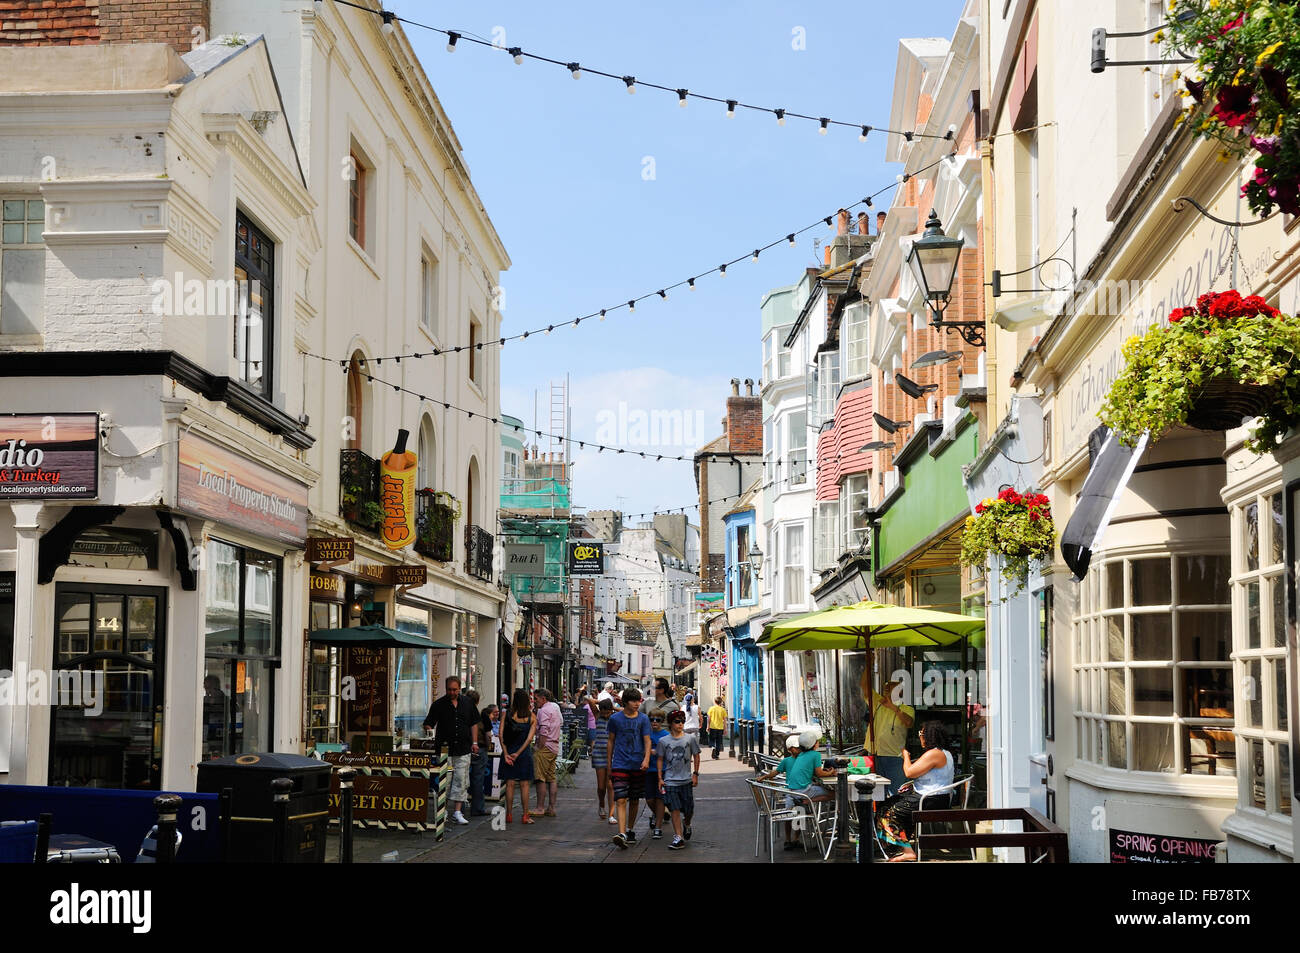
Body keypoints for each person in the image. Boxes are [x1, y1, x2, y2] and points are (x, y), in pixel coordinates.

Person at [876, 721, 956, 862]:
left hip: (930, 800)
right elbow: (931, 777)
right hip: (936, 797)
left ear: (928, 736)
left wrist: (905, 756)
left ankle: (907, 851)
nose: (920, 737)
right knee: (887, 803)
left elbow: (909, 772)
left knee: (888, 811)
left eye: (921, 734)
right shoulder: (943, 752)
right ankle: (899, 846)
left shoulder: (934, 754)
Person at [757, 731, 836, 850]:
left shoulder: (800, 756)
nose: (797, 750)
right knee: (834, 795)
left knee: (799, 814)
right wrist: (830, 772)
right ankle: (790, 837)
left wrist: (764, 777)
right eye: (795, 748)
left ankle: (796, 838)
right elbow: (818, 773)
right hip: (799, 791)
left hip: (793, 791)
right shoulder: (806, 757)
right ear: (790, 749)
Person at [421, 676, 480, 826]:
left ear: (460, 688)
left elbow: (473, 724)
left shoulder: (468, 703)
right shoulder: (439, 704)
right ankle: (443, 810)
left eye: (454, 690)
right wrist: (429, 730)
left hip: (463, 747)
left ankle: (458, 812)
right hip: (444, 749)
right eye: (449, 689)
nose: (452, 692)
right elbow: (428, 723)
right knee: (444, 781)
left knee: (461, 780)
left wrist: (474, 742)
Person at [607, 687, 652, 849]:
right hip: (620, 763)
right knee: (620, 798)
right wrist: (609, 763)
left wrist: (646, 759)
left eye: (638, 700)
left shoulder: (643, 719)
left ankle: (630, 829)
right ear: (625, 702)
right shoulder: (615, 719)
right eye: (633, 701)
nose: (637, 704)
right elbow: (610, 741)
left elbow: (647, 740)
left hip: (638, 764)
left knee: (634, 799)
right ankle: (622, 833)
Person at [861, 673, 914, 795]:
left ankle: (893, 814)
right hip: (875, 755)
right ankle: (880, 814)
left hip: (894, 757)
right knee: (877, 794)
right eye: (886, 687)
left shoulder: (906, 708)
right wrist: (866, 664)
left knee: (897, 793)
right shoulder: (878, 703)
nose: (886, 689)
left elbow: (909, 722)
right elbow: (864, 686)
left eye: (890, 687)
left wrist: (893, 708)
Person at [657, 709, 701, 850]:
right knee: (674, 808)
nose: (681, 724)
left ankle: (687, 824)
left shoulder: (690, 739)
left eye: (682, 721)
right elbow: (660, 758)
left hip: (686, 780)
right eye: (677, 721)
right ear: (670, 724)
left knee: (688, 810)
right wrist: (660, 778)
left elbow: (696, 755)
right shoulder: (663, 741)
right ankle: (678, 837)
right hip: (670, 780)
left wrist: (695, 774)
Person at [499, 689, 537, 824]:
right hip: (523, 754)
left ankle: (509, 815)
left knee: (509, 784)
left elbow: (501, 735)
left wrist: (506, 753)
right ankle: (525, 815)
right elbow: (529, 739)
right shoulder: (531, 717)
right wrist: (519, 753)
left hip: (508, 752)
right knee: (524, 784)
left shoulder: (507, 715)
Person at [531, 688, 562, 817]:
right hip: (554, 746)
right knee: (552, 778)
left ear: (543, 699)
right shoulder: (554, 709)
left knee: (540, 778)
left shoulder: (543, 711)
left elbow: (543, 730)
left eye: (536, 698)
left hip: (545, 747)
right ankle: (552, 807)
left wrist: (539, 747)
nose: (534, 701)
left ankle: (540, 808)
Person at [643, 710, 671, 838]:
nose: (654, 722)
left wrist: (658, 752)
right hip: (648, 771)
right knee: (649, 799)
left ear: (662, 721)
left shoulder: (666, 736)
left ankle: (658, 827)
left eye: (658, 720)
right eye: (652, 719)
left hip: (663, 771)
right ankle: (656, 814)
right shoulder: (645, 734)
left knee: (660, 798)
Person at [464, 689, 489, 817]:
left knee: (462, 780)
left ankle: (460, 808)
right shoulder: (482, 715)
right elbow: (488, 734)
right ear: (478, 701)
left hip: (464, 749)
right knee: (478, 780)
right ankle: (477, 808)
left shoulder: (462, 715)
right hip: (480, 749)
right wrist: (488, 747)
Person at [590, 697, 615, 822]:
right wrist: (601, 704)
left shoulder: (615, 719)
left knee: (610, 785)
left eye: (608, 712)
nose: (606, 715)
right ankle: (601, 805)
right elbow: (588, 700)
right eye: (604, 712)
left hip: (612, 754)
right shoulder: (597, 716)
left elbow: (623, 710)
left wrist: (613, 707)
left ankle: (611, 813)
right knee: (601, 786)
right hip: (599, 753)